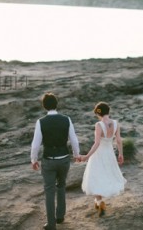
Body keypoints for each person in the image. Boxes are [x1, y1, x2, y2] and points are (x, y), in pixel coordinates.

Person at [31, 93, 81, 230]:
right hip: (64, 159)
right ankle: (60, 216)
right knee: (61, 186)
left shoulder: (41, 122)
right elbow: (74, 140)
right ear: (56, 104)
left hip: (49, 160)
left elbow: (35, 144)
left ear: (44, 106)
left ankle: (51, 224)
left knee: (49, 191)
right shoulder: (66, 119)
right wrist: (77, 155)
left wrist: (33, 159)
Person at [81, 102, 127, 217]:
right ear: (108, 111)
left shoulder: (98, 125)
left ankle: (99, 202)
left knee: (96, 176)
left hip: (99, 153)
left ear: (98, 113)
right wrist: (120, 154)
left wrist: (87, 156)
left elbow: (96, 143)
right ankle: (99, 202)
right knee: (106, 175)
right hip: (109, 153)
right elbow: (119, 140)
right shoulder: (116, 123)